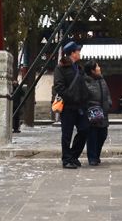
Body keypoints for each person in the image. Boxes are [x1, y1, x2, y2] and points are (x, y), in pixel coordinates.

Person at [53, 40, 89, 168]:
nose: (80, 53)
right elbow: (59, 87)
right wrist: (71, 97)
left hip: (81, 106)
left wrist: (85, 98)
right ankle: (66, 159)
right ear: (72, 53)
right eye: (78, 51)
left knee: (85, 130)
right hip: (68, 106)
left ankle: (73, 155)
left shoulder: (79, 68)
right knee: (67, 134)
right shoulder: (61, 67)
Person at [83, 60, 111, 166]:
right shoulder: (86, 81)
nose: (99, 68)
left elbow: (107, 93)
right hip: (92, 112)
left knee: (103, 134)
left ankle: (97, 155)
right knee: (92, 136)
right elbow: (84, 96)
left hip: (103, 111)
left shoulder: (102, 79)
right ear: (92, 70)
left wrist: (109, 103)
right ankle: (92, 158)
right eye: (97, 67)